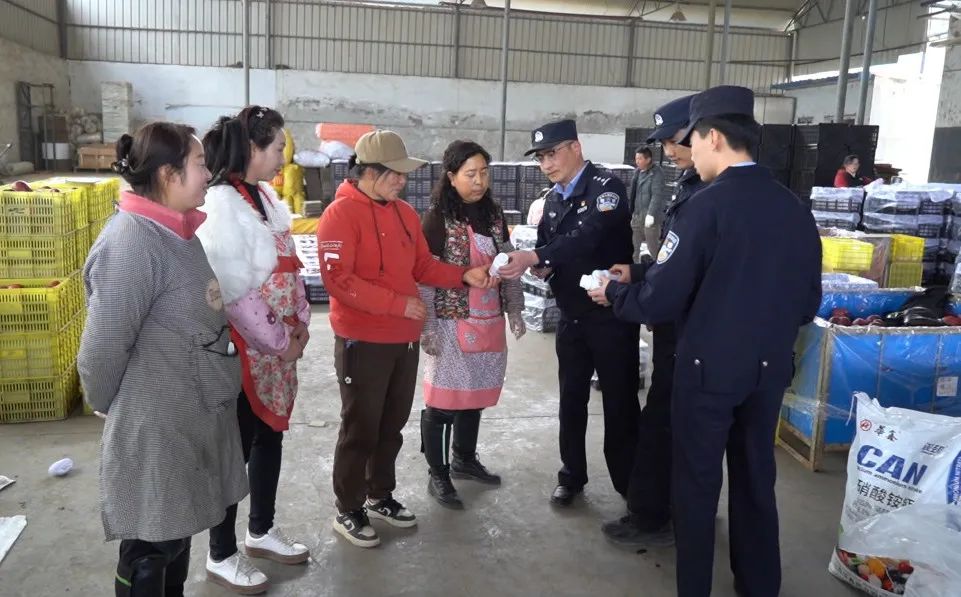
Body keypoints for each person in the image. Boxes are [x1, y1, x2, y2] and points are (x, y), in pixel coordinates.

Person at [588, 86, 822, 596]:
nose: (687, 152)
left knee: (695, 487)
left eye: (691, 141)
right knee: (756, 479)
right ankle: (759, 585)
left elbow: (661, 301)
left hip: (708, 372)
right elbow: (808, 304)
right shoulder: (794, 209)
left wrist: (616, 293)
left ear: (713, 137)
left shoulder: (706, 208)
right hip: (768, 372)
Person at [78, 122, 248, 596]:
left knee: (175, 534)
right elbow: (102, 349)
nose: (208, 173)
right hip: (155, 423)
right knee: (150, 544)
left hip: (187, 417)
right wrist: (107, 402)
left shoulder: (178, 232)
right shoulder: (132, 243)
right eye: (199, 164)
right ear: (169, 174)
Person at [317, 130, 495, 548]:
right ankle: (348, 508)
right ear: (369, 172)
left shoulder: (404, 214)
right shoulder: (340, 215)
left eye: (403, 173)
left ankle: (380, 495)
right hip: (363, 340)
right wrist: (397, 304)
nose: (403, 181)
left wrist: (463, 276)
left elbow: (422, 266)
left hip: (404, 340)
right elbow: (338, 280)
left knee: (391, 425)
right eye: (395, 174)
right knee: (360, 427)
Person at [196, 106, 311, 593]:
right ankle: (221, 552)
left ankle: (260, 530)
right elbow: (237, 294)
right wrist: (282, 341)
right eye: (278, 147)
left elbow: (291, 267)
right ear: (252, 148)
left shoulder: (265, 197)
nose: (283, 156)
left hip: (279, 350)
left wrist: (300, 324)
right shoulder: (222, 204)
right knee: (234, 451)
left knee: (269, 439)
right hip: (246, 352)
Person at [498, 119, 640, 508]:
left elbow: (585, 238)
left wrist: (535, 255)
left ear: (576, 148)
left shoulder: (606, 189)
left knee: (620, 403)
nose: (546, 164)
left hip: (611, 316)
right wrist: (543, 266)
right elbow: (552, 245)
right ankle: (571, 475)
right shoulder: (554, 199)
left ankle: (630, 487)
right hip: (572, 316)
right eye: (541, 158)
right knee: (571, 399)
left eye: (552, 154)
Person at [599, 94, 707, 550]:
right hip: (683, 334)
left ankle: (650, 517)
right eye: (662, 143)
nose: (668, 150)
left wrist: (618, 294)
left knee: (663, 424)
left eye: (674, 140)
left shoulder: (708, 198)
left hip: (687, 337)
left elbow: (677, 282)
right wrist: (640, 271)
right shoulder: (691, 185)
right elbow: (678, 263)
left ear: (705, 134)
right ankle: (683, 508)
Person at [418, 140, 526, 509]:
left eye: (484, 172)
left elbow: (508, 262)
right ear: (451, 177)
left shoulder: (493, 214)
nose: (479, 181)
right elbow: (424, 275)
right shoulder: (437, 219)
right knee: (442, 401)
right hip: (450, 322)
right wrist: (428, 326)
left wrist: (514, 309)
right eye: (470, 174)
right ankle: (438, 473)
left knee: (473, 396)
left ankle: (464, 458)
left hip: (487, 318)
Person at [628, 145, 667, 260]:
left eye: (640, 158)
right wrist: (630, 211)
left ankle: (659, 267)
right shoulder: (637, 173)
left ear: (648, 159)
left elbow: (657, 195)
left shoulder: (656, 173)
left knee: (653, 247)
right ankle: (633, 268)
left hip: (650, 218)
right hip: (637, 216)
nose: (637, 161)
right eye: (636, 158)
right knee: (633, 247)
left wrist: (651, 214)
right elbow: (633, 194)